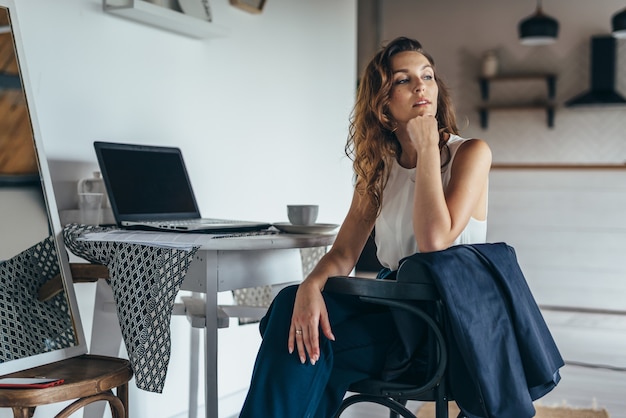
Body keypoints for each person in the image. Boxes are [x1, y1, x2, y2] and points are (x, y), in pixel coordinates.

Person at [239, 36, 492, 417]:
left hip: (443, 326)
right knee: (295, 315)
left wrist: (426, 150)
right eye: (404, 80)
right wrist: (311, 286)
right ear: (384, 105)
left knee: (296, 342)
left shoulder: (470, 153)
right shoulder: (379, 169)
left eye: (427, 76)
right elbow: (344, 253)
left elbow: (434, 241)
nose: (421, 85)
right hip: (391, 313)